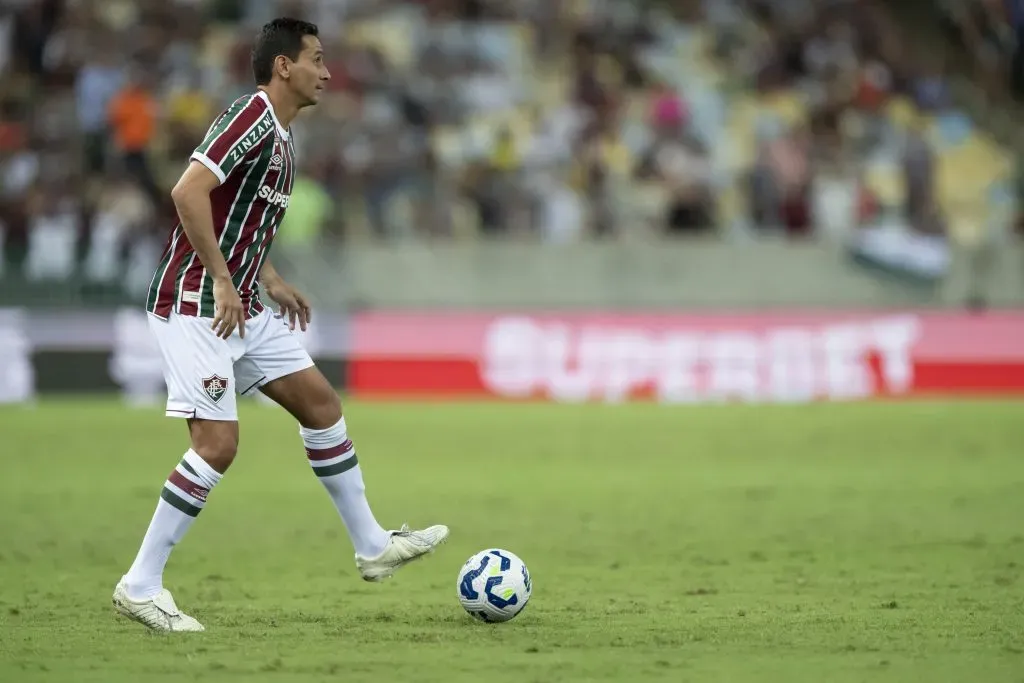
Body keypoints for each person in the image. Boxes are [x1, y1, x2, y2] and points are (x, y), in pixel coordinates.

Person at [112, 18, 449, 633]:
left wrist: (265, 276)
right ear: (283, 66)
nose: (326, 71)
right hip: (198, 301)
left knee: (321, 405)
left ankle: (372, 545)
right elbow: (188, 193)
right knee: (216, 446)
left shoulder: (284, 136)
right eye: (317, 59)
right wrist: (218, 276)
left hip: (244, 299)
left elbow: (231, 212)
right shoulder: (251, 116)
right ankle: (140, 584)